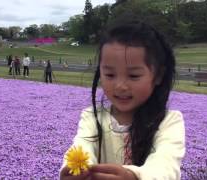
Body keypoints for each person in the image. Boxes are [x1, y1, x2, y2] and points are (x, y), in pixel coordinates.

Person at [60, 16, 185, 180]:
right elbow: (83, 146)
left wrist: (134, 176)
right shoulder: (92, 116)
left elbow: (166, 165)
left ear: (158, 76)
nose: (120, 86)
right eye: (110, 74)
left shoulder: (168, 121)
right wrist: (77, 168)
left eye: (133, 75)